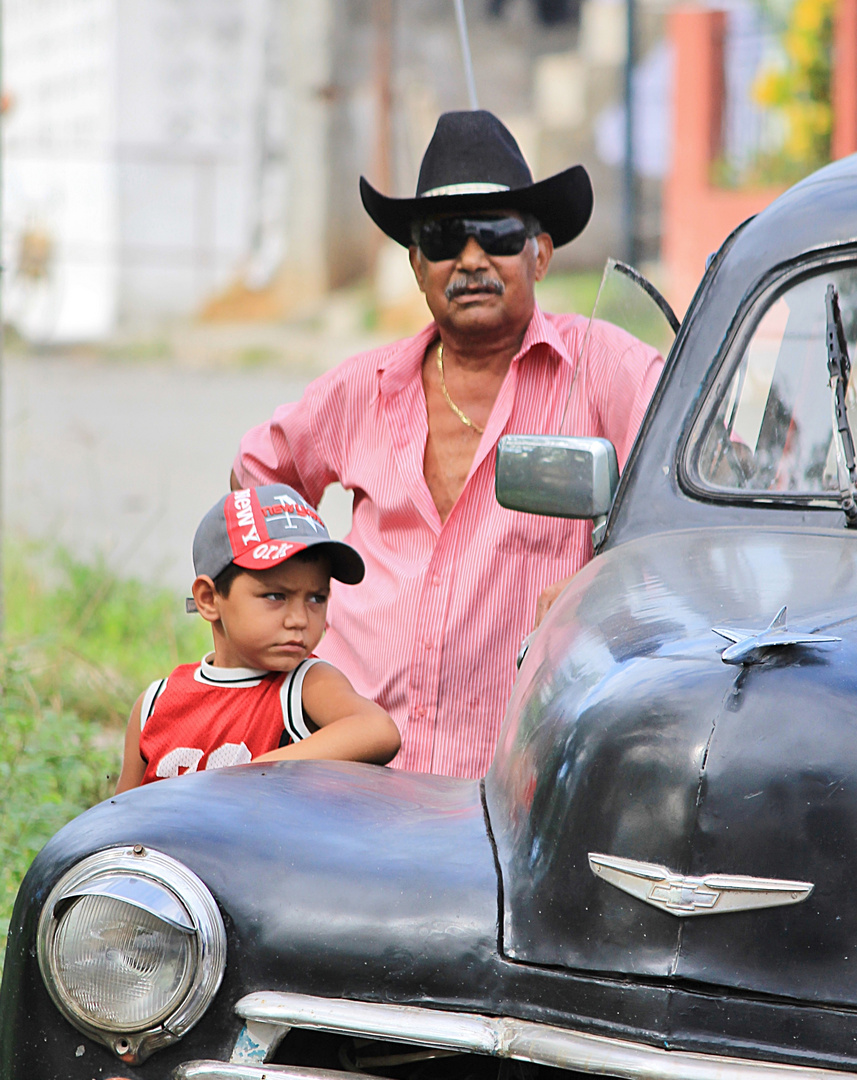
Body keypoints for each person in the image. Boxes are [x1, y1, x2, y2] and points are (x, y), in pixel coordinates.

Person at [232, 110, 663, 779]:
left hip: (520, 777)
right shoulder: (361, 388)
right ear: (415, 265)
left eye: (494, 233)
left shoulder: (605, 368)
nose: (468, 259)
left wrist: (603, 582)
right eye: (441, 239)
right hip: (353, 767)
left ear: (539, 253)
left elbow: (694, 488)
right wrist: (300, 599)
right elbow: (257, 474)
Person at [115, 484, 401, 792]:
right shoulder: (155, 705)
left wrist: (255, 771)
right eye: (276, 596)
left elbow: (378, 730)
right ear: (209, 599)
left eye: (316, 598)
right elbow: (118, 817)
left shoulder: (305, 686)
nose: (299, 620)